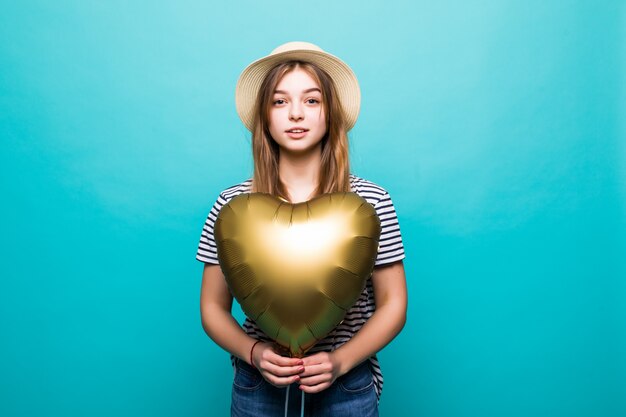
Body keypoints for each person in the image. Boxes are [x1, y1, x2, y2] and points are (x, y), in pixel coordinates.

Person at [196, 41, 407, 417]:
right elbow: (213, 307)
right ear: (264, 116)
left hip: (346, 384)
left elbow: (393, 305)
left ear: (331, 113)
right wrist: (254, 353)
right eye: (280, 102)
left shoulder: (371, 201)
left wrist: (340, 360)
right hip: (257, 385)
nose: (295, 114)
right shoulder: (231, 205)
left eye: (312, 101)